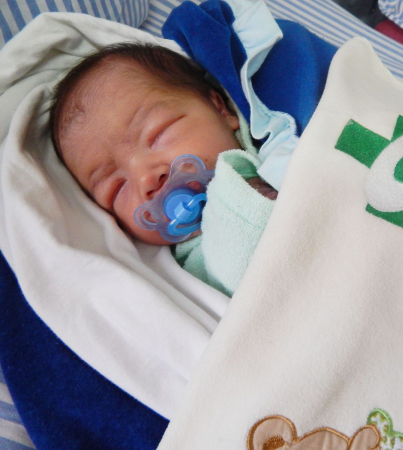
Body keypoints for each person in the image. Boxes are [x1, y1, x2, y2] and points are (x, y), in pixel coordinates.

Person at [50, 42, 279, 294]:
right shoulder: (191, 271)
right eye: (117, 188)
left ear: (219, 108)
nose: (146, 178)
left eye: (158, 134)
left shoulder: (280, 128)